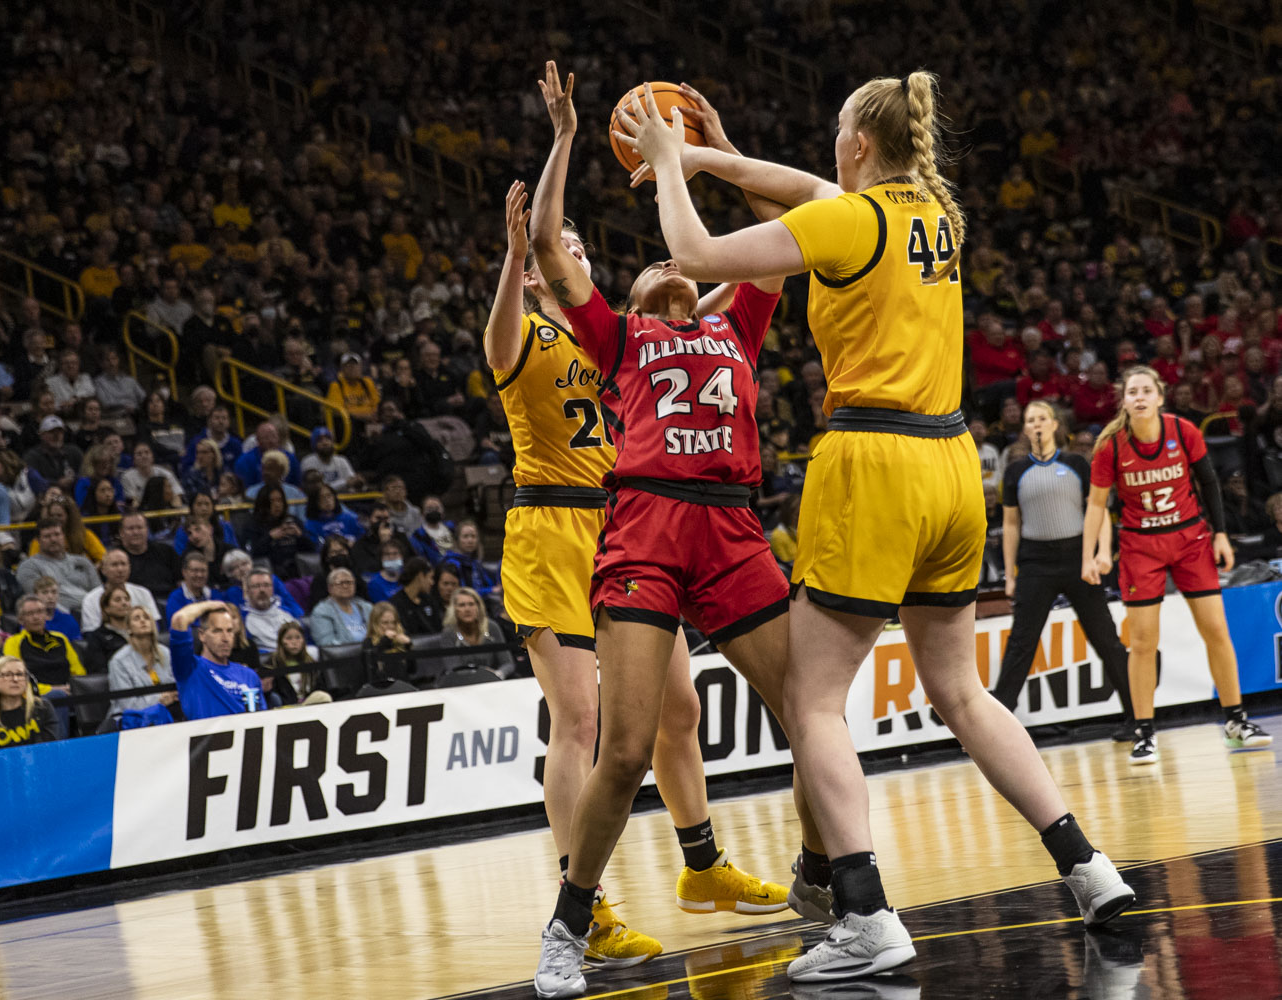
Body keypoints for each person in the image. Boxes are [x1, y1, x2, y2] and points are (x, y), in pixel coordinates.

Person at [618, 69, 1132, 985]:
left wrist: (666, 166)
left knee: (812, 703)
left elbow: (690, 251)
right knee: (964, 694)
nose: (827, 150)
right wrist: (712, 155)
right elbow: (812, 193)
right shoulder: (933, 210)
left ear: (859, 141)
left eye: (835, 133)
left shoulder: (846, 220)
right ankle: (1090, 869)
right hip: (951, 466)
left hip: (873, 463)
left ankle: (864, 913)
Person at [529, 68, 800, 997]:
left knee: (811, 711)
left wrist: (715, 147)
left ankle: (837, 883)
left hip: (732, 530)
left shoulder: (741, 325)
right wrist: (565, 136)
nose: (667, 266)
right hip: (644, 526)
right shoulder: (618, 340)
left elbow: (778, 238)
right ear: (636, 299)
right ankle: (569, 925)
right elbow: (544, 248)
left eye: (678, 264)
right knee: (627, 747)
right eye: (650, 268)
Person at [1082, 366, 1272, 764]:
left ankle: (1236, 721)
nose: (1139, 397)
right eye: (1132, 391)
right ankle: (1144, 732)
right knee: (1143, 642)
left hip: (1190, 539)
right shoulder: (1112, 447)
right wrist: (1091, 555)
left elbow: (1209, 483)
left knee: (1216, 629)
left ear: (1159, 397)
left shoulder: (1183, 431)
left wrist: (1220, 533)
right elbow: (1096, 506)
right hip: (1141, 546)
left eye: (1145, 390)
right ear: (1124, 400)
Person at [996, 401, 1134, 736]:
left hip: (1078, 559)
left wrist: (1102, 552)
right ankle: (994, 730)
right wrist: (1010, 575)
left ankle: (1138, 716)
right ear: (1025, 429)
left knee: (1106, 639)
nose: (1037, 424)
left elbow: (1097, 510)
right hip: (1035, 563)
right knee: (1021, 643)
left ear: (1055, 424)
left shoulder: (1075, 463)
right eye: (1031, 420)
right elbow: (1011, 524)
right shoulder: (1014, 470)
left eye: (1042, 418)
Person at [168, 599, 266, 719]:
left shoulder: (249, 676)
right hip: (207, 736)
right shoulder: (189, 668)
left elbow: (260, 720)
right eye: (217, 631)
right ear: (202, 635)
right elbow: (179, 619)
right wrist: (211, 604)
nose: (225, 638)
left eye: (229, 631)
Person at [106, 606, 178, 723]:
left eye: (146, 618)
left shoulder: (165, 652)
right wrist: (159, 700)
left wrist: (171, 697)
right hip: (133, 719)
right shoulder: (119, 661)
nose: (142, 621)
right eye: (136, 618)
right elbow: (127, 704)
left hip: (167, 711)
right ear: (129, 628)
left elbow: (175, 685)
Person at [2, 595, 86, 697]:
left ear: (46, 615)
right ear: (20, 619)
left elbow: (78, 671)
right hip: (37, 695)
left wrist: (74, 687)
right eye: (30, 614)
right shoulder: (13, 642)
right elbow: (16, 679)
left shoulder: (60, 638)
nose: (36, 617)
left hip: (68, 690)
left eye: (39, 612)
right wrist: (52, 690)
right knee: (57, 695)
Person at [0, 656, 61, 749]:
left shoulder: (42, 708)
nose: (15, 679)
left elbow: (50, 748)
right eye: (7, 674)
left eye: (20, 674)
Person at [17, 521, 101, 614]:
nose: (53, 539)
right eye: (47, 536)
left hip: (93, 612)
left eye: (57, 534)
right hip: (59, 615)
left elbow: (98, 592)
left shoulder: (83, 561)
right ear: (38, 540)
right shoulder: (29, 566)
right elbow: (37, 600)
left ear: (64, 536)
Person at [437, 587, 514, 679]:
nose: (467, 609)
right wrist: (480, 675)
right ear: (454, 610)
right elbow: (453, 669)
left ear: (478, 607)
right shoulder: (448, 633)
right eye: (462, 605)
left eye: (471, 604)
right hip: (462, 684)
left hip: (493, 681)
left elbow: (508, 663)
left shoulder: (491, 627)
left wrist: (498, 674)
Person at [81, 548, 159, 633]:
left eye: (123, 564)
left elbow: (153, 626)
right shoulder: (90, 599)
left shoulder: (143, 593)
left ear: (129, 568)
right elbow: (92, 632)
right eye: (114, 565)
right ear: (103, 569)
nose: (120, 569)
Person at [117, 511, 182, 599]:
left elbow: (181, 581)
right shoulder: (116, 559)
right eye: (130, 528)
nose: (136, 532)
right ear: (121, 532)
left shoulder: (166, 551)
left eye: (139, 527)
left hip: (168, 601)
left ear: (147, 530)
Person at [309, 567, 373, 645]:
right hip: (344, 655)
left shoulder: (367, 607)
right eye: (340, 583)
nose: (345, 586)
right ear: (330, 588)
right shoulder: (322, 612)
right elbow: (327, 643)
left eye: (349, 582)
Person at [389, 557, 439, 636]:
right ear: (421, 576)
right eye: (431, 577)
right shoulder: (395, 604)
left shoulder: (429, 601)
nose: (432, 583)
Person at [167, 550, 221, 623]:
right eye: (195, 571)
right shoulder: (176, 598)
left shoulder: (215, 595)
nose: (199, 575)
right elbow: (177, 626)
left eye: (203, 571)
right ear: (184, 572)